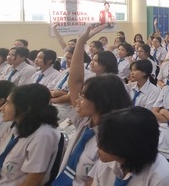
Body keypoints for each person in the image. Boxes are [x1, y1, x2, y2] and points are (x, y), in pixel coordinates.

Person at [52, 25, 132, 186]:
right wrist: (81, 41)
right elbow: (75, 81)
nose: (77, 101)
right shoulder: (85, 121)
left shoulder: (112, 140)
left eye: (83, 97)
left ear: (100, 101)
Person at [0, 83, 61, 185]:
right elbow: (5, 164)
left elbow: (33, 181)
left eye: (8, 103)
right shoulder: (16, 127)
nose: (2, 108)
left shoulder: (43, 135)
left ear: (25, 107)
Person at [90, 107, 169, 185]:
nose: (99, 146)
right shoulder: (106, 162)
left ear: (126, 147)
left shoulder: (163, 179)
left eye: (105, 142)